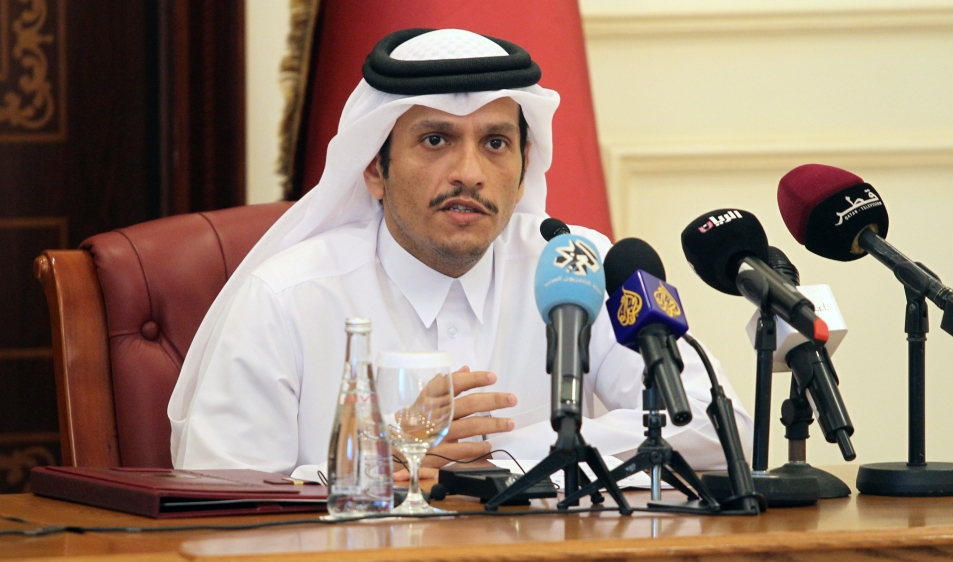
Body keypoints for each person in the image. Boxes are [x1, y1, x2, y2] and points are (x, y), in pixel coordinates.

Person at [168, 28, 752, 479]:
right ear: (375, 168)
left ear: (523, 173)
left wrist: (502, 459)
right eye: (436, 140)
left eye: (495, 143)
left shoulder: (577, 264)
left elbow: (722, 426)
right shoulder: (286, 299)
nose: (470, 173)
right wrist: (382, 465)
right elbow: (221, 496)